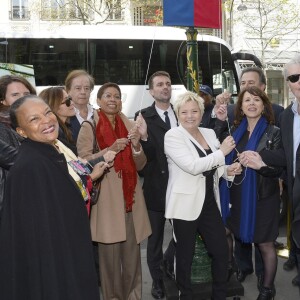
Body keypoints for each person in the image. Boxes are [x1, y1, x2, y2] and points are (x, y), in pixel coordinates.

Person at [0, 95, 109, 300]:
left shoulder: (50, 153)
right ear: (21, 132)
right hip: (56, 274)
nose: (46, 121)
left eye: (47, 112)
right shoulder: (32, 167)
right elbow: (39, 241)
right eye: (34, 119)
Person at [161, 91, 241, 299]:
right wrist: (222, 152)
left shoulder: (208, 133)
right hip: (184, 205)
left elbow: (215, 164)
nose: (190, 116)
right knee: (185, 256)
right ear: (177, 114)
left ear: (201, 112)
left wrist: (227, 170)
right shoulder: (172, 136)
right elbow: (193, 166)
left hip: (208, 201)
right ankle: (185, 295)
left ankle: (219, 295)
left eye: (194, 111)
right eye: (184, 112)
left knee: (221, 252)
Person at [77, 82, 151, 300]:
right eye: (107, 95)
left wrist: (136, 146)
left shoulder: (129, 124)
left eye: (117, 96)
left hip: (131, 200)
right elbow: (82, 163)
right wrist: (110, 150)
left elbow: (141, 165)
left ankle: (134, 296)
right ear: (98, 101)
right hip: (107, 203)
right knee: (109, 261)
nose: (112, 99)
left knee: (132, 257)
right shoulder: (89, 127)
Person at [216, 67, 284, 286]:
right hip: (237, 196)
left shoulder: (274, 132)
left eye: (256, 100)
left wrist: (261, 164)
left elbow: (280, 170)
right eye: (247, 101)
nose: (252, 103)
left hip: (264, 198)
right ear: (241, 107)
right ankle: (230, 269)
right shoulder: (234, 131)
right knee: (226, 231)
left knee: (265, 245)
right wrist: (231, 168)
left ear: (263, 104)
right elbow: (220, 154)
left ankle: (267, 289)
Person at [258, 53, 300, 289]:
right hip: (295, 191)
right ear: (289, 83)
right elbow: (285, 155)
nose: (299, 81)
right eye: (294, 77)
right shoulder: (286, 117)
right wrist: (258, 156)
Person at [135, 71, 177, 299]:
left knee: (182, 235)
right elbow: (144, 160)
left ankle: (168, 264)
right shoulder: (143, 117)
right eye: (160, 85)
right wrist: (144, 138)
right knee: (155, 241)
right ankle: (158, 281)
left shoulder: (182, 113)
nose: (165, 87)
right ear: (151, 91)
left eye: (168, 84)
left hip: (181, 187)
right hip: (155, 188)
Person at [0, 75, 36, 220]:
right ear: (2, 100)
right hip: (13, 205)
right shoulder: (2, 127)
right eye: (15, 95)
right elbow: (17, 162)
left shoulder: (37, 125)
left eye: (26, 94)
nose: (22, 99)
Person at [65, 69, 95, 141]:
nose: (83, 92)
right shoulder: (64, 117)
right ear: (68, 91)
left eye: (86, 88)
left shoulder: (98, 114)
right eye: (78, 88)